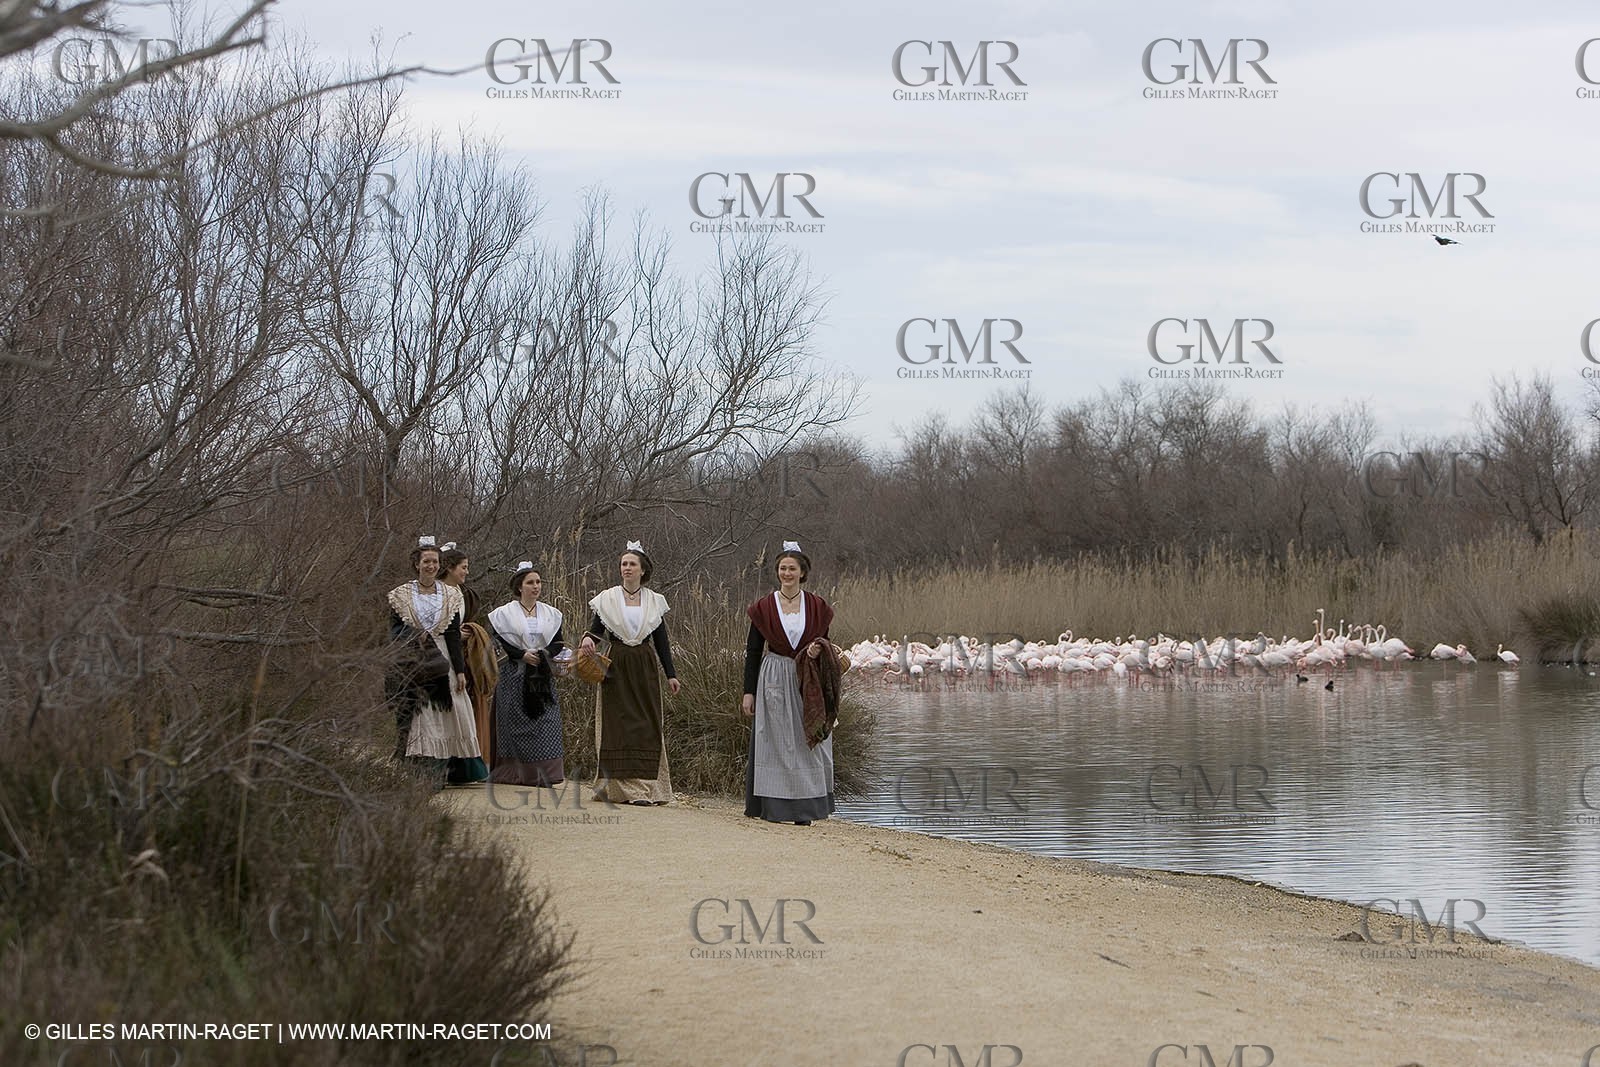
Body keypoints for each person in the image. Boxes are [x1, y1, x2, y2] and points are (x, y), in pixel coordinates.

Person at [742, 540, 842, 825]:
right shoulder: (763, 607)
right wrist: (748, 692)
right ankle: (775, 807)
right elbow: (752, 651)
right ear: (777, 572)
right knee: (775, 740)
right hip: (774, 674)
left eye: (792, 568)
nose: (787, 573)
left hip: (808, 678)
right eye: (782, 568)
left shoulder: (817, 606)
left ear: (802, 572)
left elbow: (826, 642)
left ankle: (807, 809)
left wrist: (816, 650)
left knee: (807, 739)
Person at [578, 540, 681, 806]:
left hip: (644, 665)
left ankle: (649, 787)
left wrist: (671, 674)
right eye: (623, 564)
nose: (626, 568)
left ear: (643, 570)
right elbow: (596, 630)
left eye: (632, 564)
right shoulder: (608, 598)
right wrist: (588, 639)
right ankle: (622, 789)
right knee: (619, 723)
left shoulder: (654, 602)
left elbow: (661, 641)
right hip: (617, 663)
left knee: (646, 722)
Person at [385, 535, 488, 787]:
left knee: (452, 711)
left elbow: (453, 634)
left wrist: (461, 671)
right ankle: (425, 772)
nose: (431, 566)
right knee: (423, 714)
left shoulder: (450, 595)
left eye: (435, 561)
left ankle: (455, 770)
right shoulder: (402, 595)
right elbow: (394, 630)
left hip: (444, 659)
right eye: (426, 561)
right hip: (415, 660)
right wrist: (413, 635)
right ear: (416, 564)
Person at [486, 562, 567, 786]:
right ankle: (516, 773)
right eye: (530, 583)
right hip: (514, 675)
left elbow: (559, 641)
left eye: (538, 582)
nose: (535, 587)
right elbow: (499, 641)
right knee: (514, 721)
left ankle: (547, 772)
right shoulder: (504, 614)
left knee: (546, 720)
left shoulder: (551, 614)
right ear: (519, 587)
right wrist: (521, 654)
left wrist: (543, 654)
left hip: (541, 674)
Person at [440, 543, 496, 770]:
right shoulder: (439, 593)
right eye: (463, 567)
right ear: (450, 568)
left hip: (460, 655)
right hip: (442, 655)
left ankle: (463, 765)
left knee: (462, 708)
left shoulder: (461, 594)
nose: (467, 571)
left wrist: (470, 632)